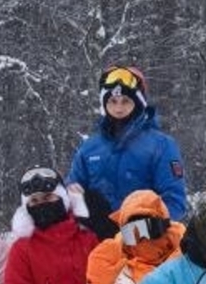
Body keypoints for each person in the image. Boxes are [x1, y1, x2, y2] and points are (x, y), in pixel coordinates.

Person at [65, 64, 189, 221]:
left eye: (125, 101)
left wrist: (150, 226)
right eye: (112, 101)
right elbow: (72, 190)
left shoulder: (161, 145)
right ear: (104, 105)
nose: (118, 108)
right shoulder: (90, 148)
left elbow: (175, 200)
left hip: (143, 237)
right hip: (98, 239)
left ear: (138, 103)